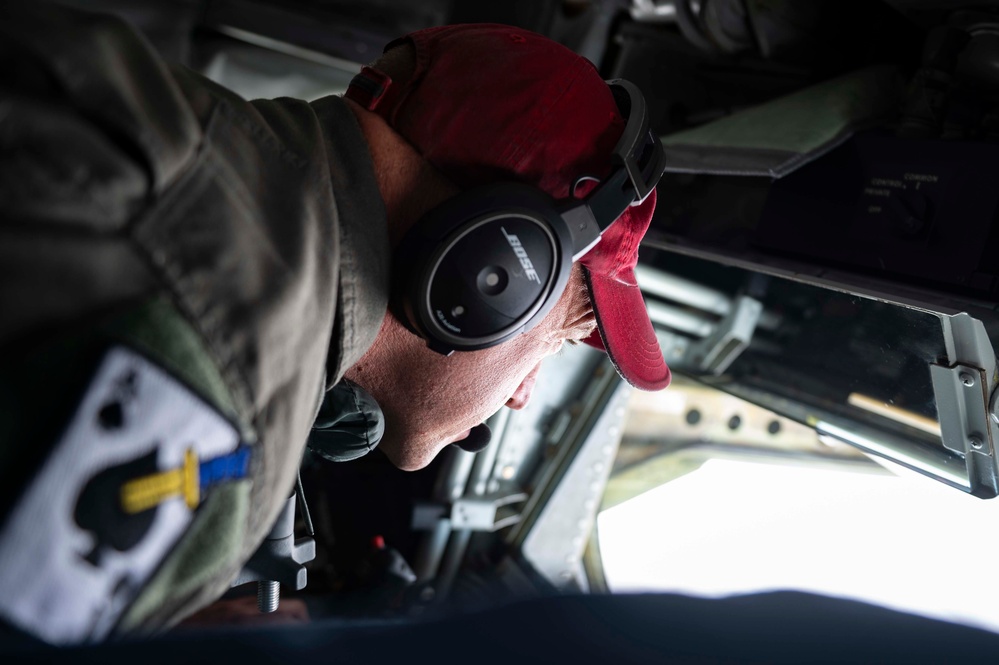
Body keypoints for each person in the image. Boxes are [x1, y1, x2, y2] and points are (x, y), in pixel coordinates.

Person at [0, 1, 669, 643]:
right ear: (497, 270)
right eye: (554, 341)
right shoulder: (228, 390)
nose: (523, 393)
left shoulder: (191, 137)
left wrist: (153, 626)